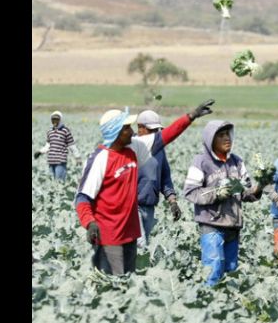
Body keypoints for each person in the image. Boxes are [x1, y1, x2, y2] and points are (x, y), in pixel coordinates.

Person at [74, 100, 214, 275]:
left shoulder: (134, 147)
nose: (132, 131)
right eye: (127, 128)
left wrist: (191, 116)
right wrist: (89, 222)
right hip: (109, 236)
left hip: (130, 234)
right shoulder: (99, 159)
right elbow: (82, 197)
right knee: (110, 288)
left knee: (128, 283)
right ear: (116, 132)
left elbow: (165, 136)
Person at [183, 120, 268, 286]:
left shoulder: (236, 162)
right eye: (221, 135)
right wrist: (217, 194)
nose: (227, 138)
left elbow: (245, 193)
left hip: (233, 225)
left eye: (228, 134)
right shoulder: (201, 162)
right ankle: (207, 305)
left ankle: (229, 309)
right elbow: (190, 192)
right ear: (210, 139)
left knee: (231, 272)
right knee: (213, 271)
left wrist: (259, 187)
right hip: (212, 224)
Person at [135, 110, 182, 248]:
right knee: (141, 245)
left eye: (157, 130)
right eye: (152, 130)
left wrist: (172, 201)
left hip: (149, 207)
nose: (156, 133)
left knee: (143, 247)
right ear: (140, 128)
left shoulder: (160, 150)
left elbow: (165, 177)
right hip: (132, 206)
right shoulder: (131, 146)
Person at [34, 111, 81, 181]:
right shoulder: (50, 131)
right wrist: (40, 152)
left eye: (57, 119)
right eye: (53, 119)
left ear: (60, 120)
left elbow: (71, 145)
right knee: (52, 183)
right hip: (51, 161)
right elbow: (48, 145)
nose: (54, 121)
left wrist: (77, 157)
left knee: (59, 182)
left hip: (60, 161)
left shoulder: (65, 131)